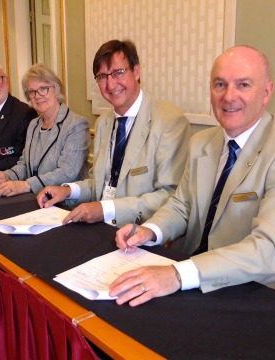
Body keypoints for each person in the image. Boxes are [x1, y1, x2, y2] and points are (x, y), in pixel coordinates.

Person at [109, 45, 275, 307]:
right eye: (220, 84)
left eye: (243, 85)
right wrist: (150, 231)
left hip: (255, 292)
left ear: (266, 93)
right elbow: (182, 205)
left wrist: (176, 275)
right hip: (194, 276)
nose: (229, 97)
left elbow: (271, 249)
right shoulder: (201, 143)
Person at [37, 39, 190, 227]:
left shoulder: (169, 121)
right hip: (99, 228)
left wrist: (106, 210)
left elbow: (169, 195)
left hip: (138, 235)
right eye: (102, 77)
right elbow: (99, 183)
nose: (110, 84)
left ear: (136, 71)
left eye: (118, 73)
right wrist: (68, 191)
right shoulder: (103, 123)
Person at [0, 63, 90, 196]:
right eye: (32, 92)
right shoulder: (33, 124)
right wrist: (7, 175)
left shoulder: (76, 125)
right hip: (35, 199)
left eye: (43, 88)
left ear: (56, 90)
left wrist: (26, 185)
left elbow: (67, 172)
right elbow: (24, 164)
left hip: (65, 204)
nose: (37, 95)